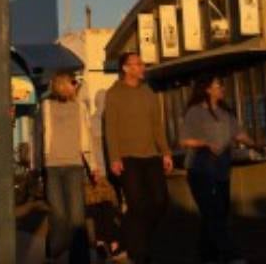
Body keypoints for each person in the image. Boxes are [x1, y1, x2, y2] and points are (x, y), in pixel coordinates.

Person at [103, 52, 172, 264]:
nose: (143, 67)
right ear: (126, 68)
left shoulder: (148, 92)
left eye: (142, 64)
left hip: (151, 154)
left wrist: (166, 152)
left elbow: (156, 125)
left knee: (161, 201)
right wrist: (114, 158)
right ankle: (139, 252)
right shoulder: (114, 94)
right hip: (127, 157)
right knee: (137, 205)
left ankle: (127, 238)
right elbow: (110, 129)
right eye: (138, 64)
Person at [179, 75, 253, 264]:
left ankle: (206, 255)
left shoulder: (225, 113)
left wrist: (256, 144)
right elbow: (185, 140)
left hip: (221, 170)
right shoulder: (195, 112)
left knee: (217, 213)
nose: (222, 89)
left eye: (222, 85)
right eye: (218, 85)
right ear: (207, 89)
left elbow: (238, 134)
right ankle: (231, 254)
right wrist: (205, 143)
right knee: (213, 213)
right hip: (200, 169)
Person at [40, 71, 99, 264]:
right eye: (73, 82)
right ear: (62, 84)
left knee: (76, 216)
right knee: (58, 214)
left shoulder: (80, 107)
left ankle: (80, 259)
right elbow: (40, 135)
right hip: (52, 166)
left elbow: (87, 137)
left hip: (74, 164)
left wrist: (93, 166)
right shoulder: (46, 106)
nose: (76, 86)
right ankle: (56, 252)